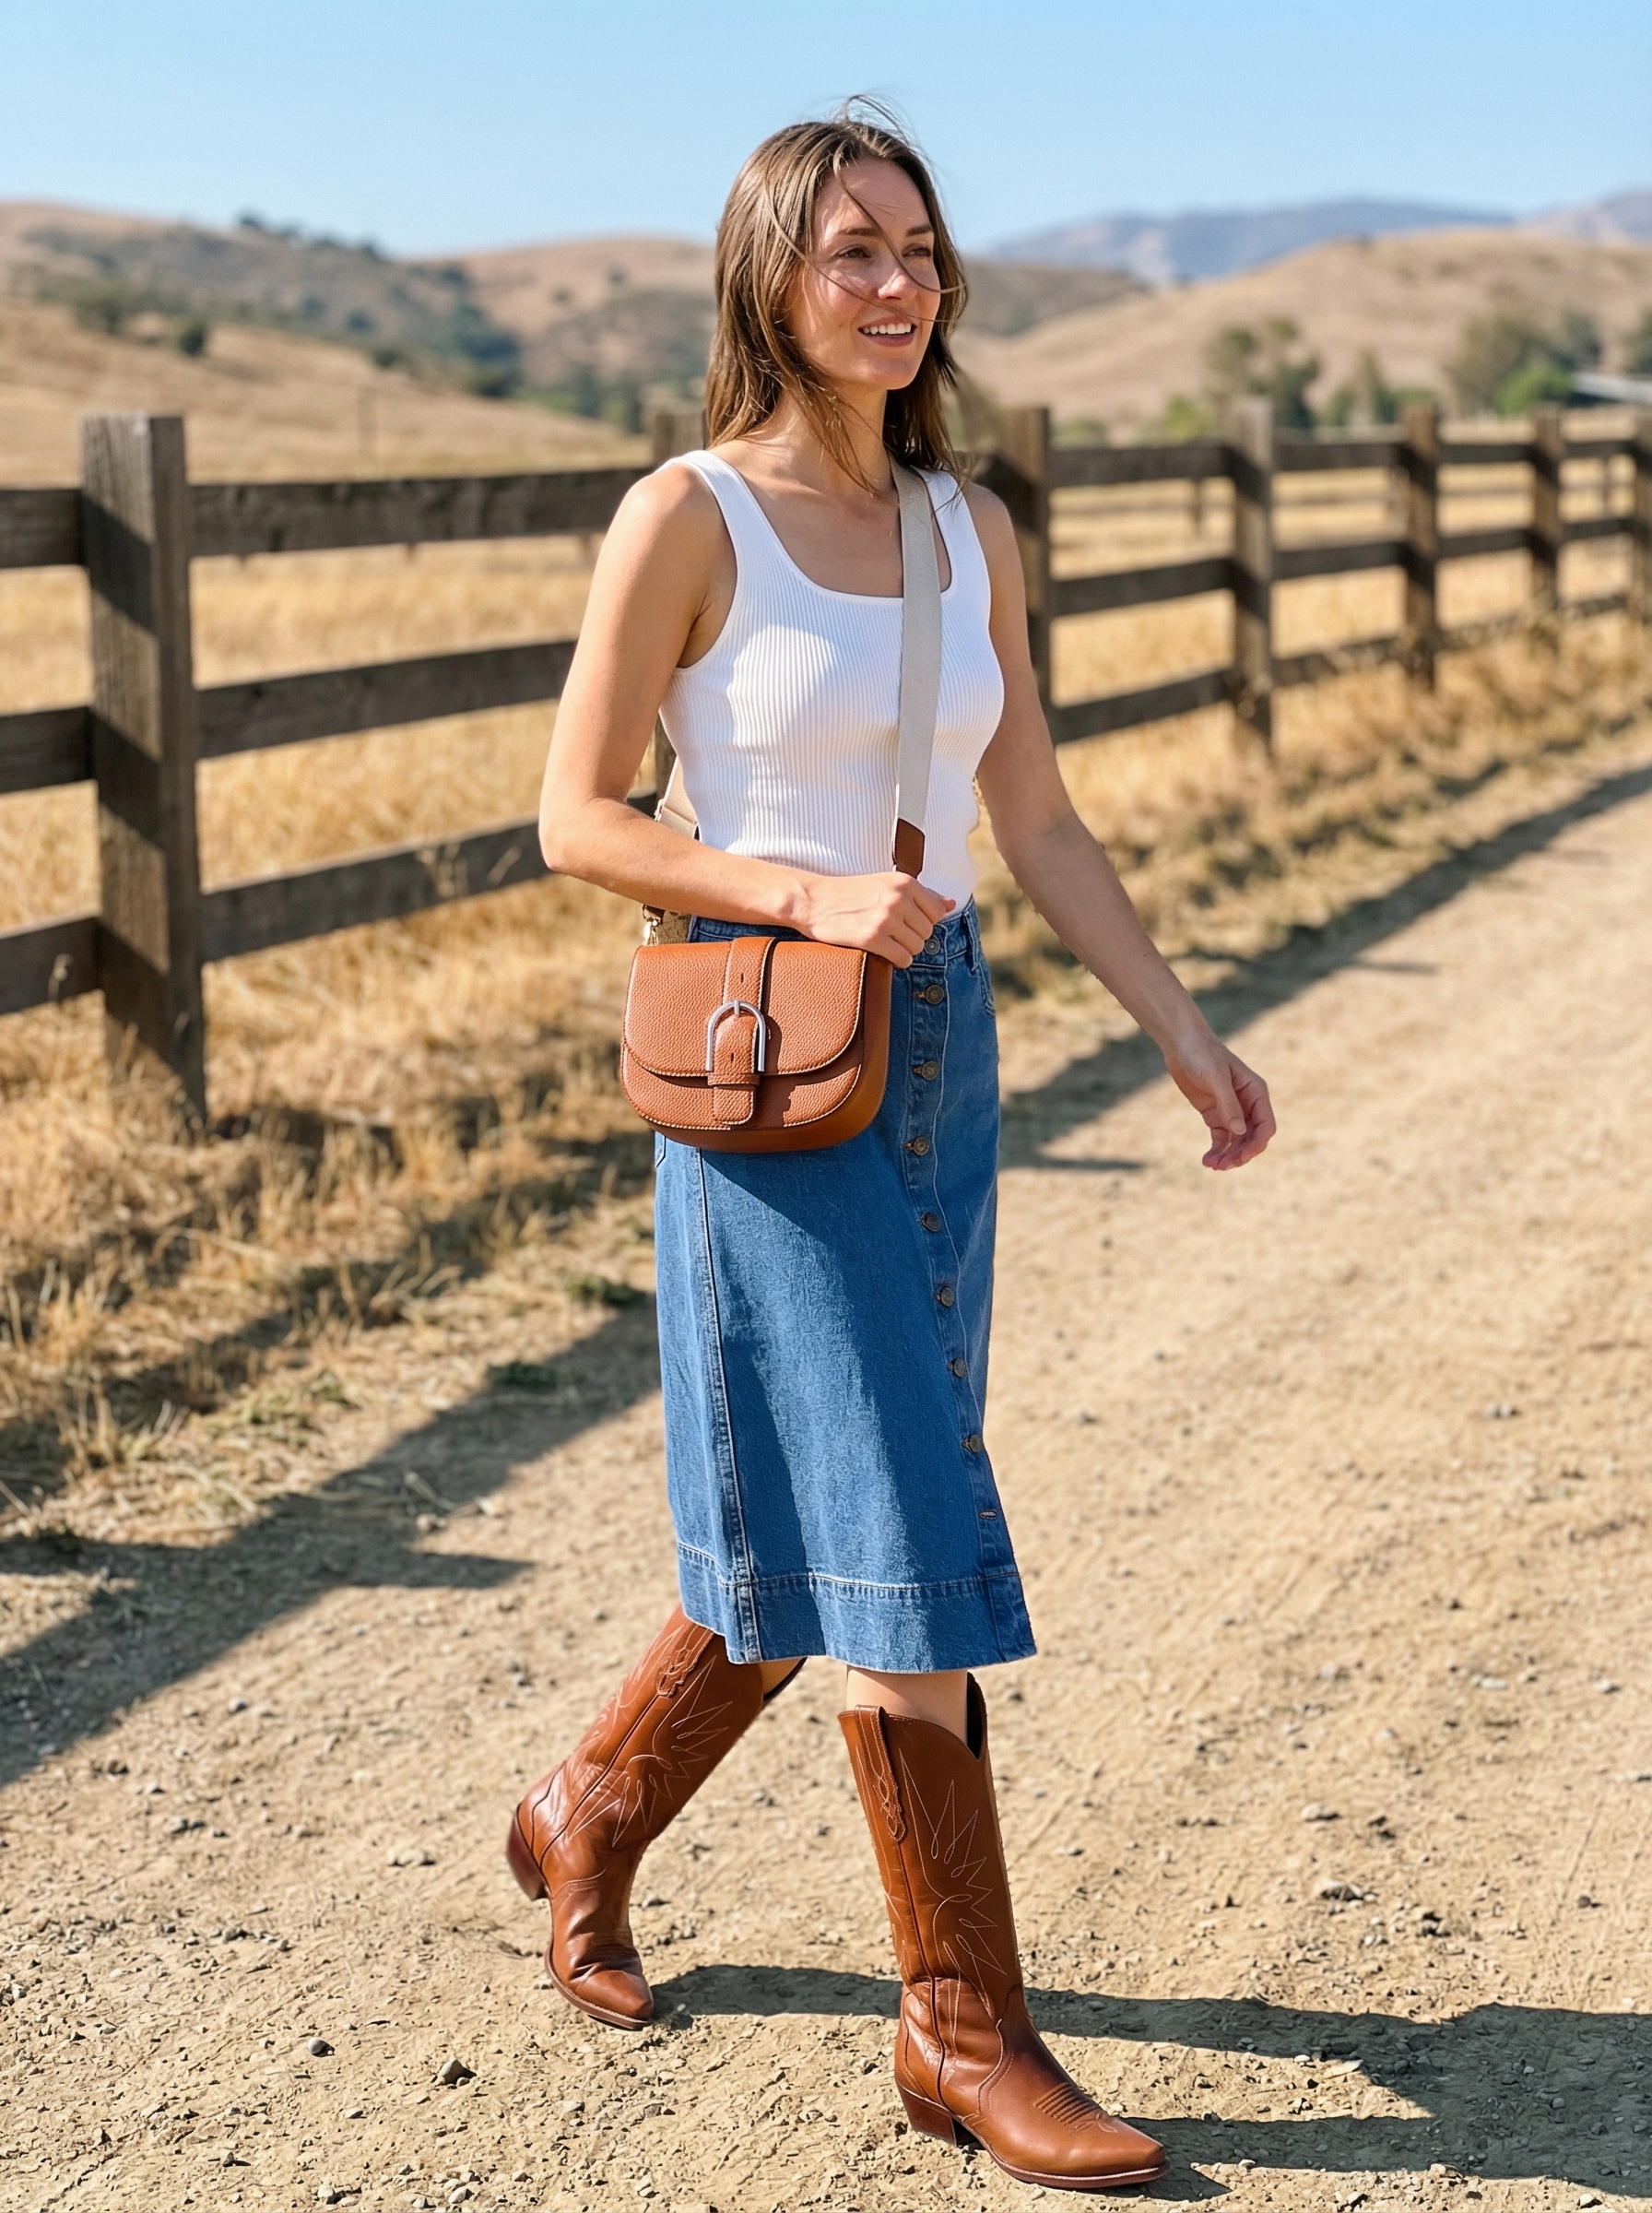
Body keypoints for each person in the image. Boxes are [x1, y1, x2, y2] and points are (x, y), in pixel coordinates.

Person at [511, 102, 1275, 2194]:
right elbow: (573, 818)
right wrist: (792, 892)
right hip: (765, 1046)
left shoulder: (967, 524)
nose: (893, 284)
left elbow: (1031, 815)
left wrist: (1184, 1030)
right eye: (851, 248)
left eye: (918, 250)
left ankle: (588, 1806)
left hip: (934, 1044)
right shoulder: (687, 514)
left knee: (854, 1487)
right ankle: (961, 2033)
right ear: (769, 270)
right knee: (907, 1504)